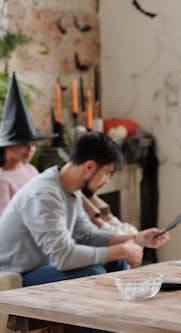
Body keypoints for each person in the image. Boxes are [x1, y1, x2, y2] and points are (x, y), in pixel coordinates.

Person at [0, 131, 170, 286]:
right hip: (18, 273)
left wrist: (135, 238)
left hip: (46, 265)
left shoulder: (71, 190)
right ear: (89, 167)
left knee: (116, 262)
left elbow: (86, 235)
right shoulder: (44, 195)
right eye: (107, 172)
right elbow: (64, 257)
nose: (107, 180)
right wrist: (120, 250)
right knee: (93, 272)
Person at [0, 73, 58, 216]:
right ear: (7, 145)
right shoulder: (2, 179)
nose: (30, 150)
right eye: (24, 144)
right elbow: (4, 219)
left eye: (33, 144)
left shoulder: (31, 170)